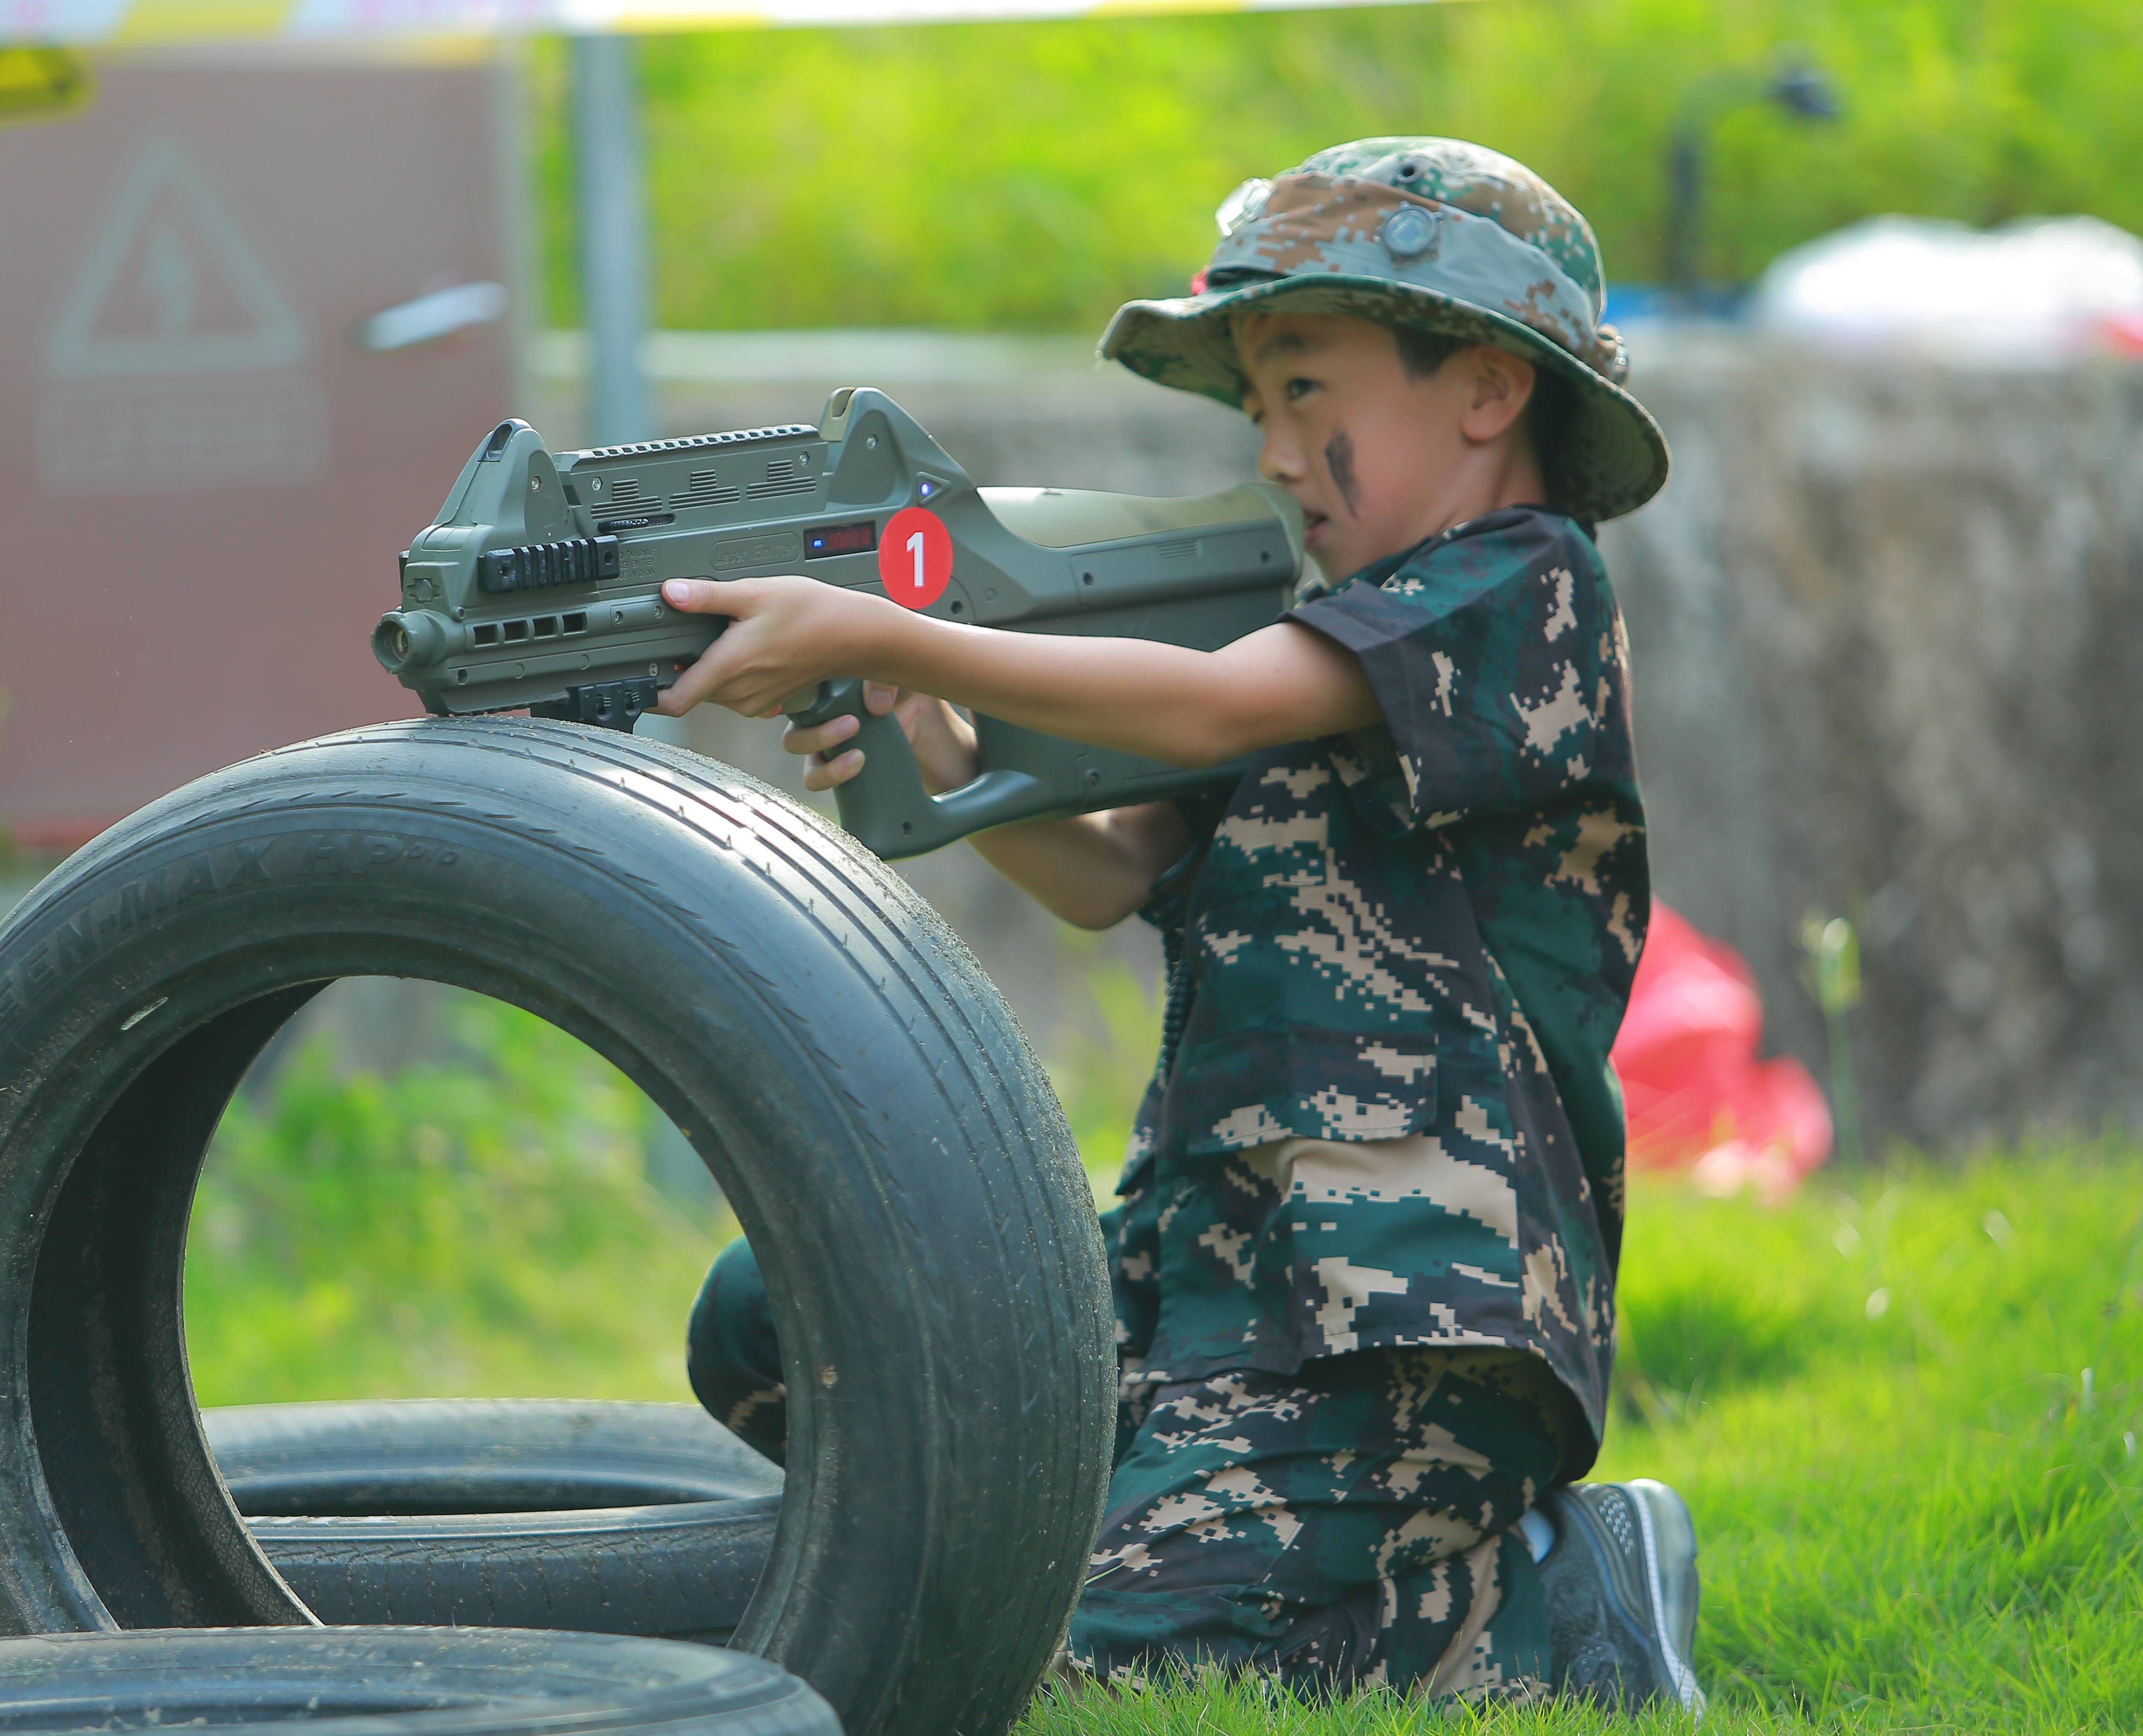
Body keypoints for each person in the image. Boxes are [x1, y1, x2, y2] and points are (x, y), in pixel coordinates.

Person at [660, 137, 1699, 1708]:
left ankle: (1552, 1608)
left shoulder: (1519, 586)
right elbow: (1106, 877)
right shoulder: (1320, 643)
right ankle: (1173, 1528)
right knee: (774, 1321)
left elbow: (1214, 709)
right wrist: (931, 738)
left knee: (1082, 1670)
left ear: (1486, 391)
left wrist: (904, 633)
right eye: (1259, 407)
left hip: (1403, 1326)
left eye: (1307, 392)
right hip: (1204, 1276)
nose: (1276, 455)